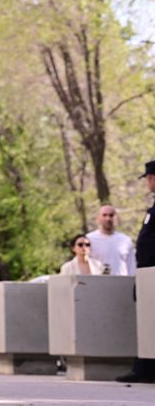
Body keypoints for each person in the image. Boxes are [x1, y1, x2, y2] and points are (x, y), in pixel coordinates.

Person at [116, 161, 155, 383]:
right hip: (146, 273)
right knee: (146, 319)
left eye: (150, 177)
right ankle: (146, 367)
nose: (149, 182)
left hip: (152, 272)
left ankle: (146, 368)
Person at [87, 205, 137, 276]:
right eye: (104, 215)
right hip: (97, 283)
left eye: (111, 215)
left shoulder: (125, 240)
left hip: (121, 283)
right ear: (97, 218)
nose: (108, 218)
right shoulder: (89, 240)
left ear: (116, 217)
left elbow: (131, 266)